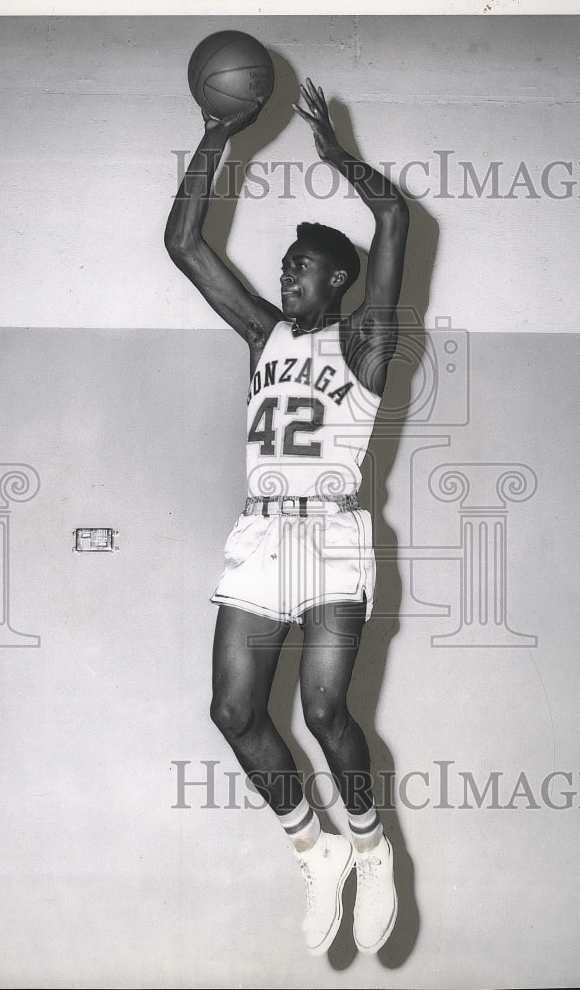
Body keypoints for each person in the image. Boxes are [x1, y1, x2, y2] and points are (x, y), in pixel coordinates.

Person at [165, 78, 408, 957]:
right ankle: (317, 852)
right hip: (261, 533)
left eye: (299, 265)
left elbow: (397, 225)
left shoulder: (365, 345)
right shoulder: (265, 334)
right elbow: (184, 244)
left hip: (334, 534)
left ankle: (372, 847)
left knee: (322, 710)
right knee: (233, 711)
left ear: (337, 279)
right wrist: (214, 133)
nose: (284, 273)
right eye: (284, 267)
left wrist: (336, 156)